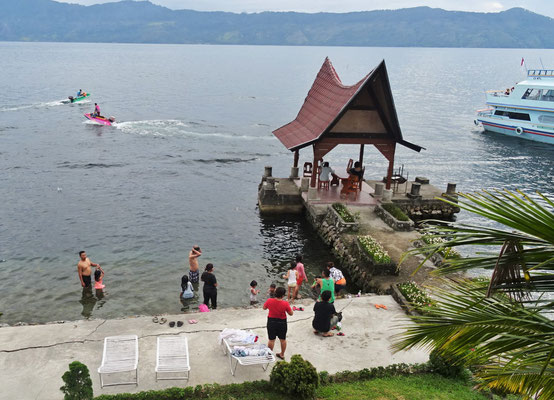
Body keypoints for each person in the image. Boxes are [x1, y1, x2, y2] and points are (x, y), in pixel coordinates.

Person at [263, 286, 293, 360]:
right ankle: (282, 354)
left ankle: (269, 355)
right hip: (282, 322)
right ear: (283, 295)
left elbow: (264, 308)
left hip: (271, 321)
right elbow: (291, 313)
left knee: (271, 340)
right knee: (283, 339)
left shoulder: (269, 300)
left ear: (275, 293)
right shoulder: (285, 303)